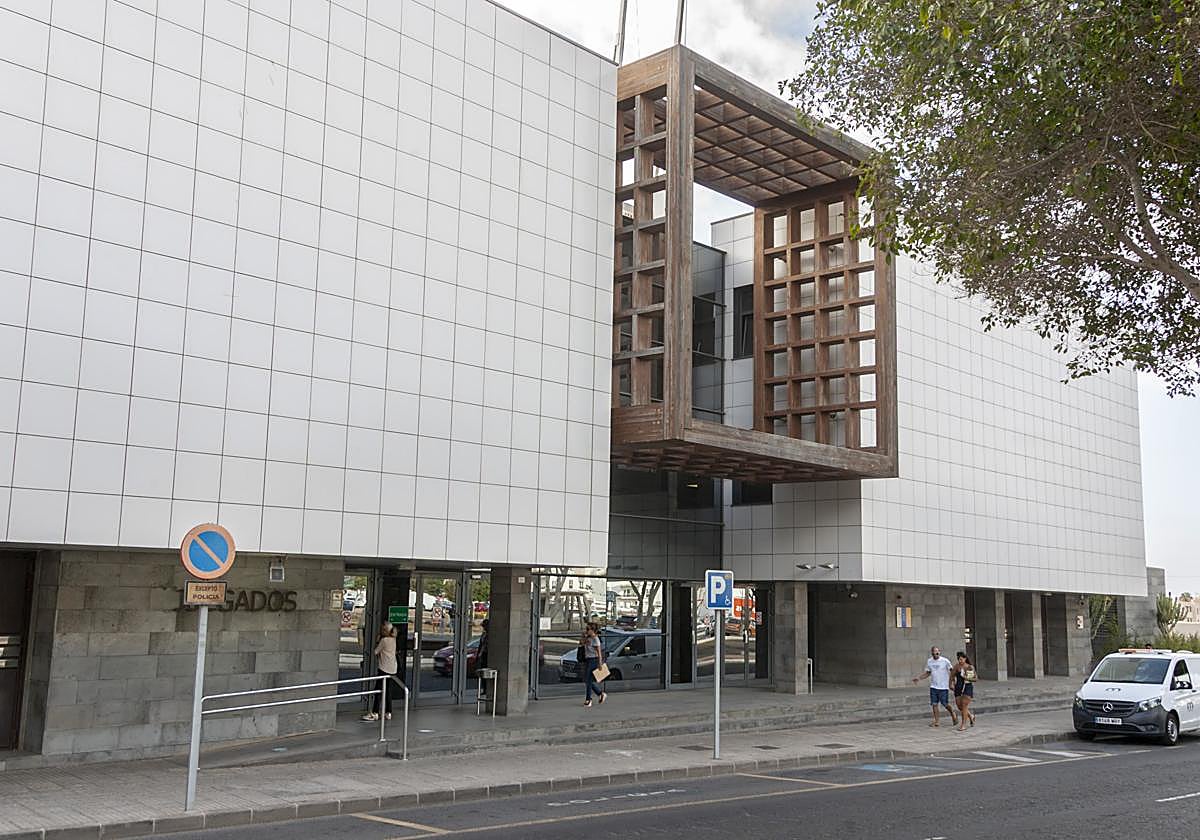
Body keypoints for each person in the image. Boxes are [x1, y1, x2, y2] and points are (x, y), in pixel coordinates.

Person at [912, 645, 958, 727]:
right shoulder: (929, 661)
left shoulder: (945, 661)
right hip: (934, 686)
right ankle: (937, 721)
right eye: (934, 652)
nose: (936, 653)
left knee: (945, 703)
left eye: (937, 652)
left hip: (943, 686)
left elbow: (952, 671)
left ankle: (953, 713)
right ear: (932, 653)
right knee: (934, 704)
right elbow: (928, 672)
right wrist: (919, 678)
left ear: (939, 652)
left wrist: (953, 682)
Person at [362, 621, 397, 722]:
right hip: (392, 668)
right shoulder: (393, 639)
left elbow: (375, 651)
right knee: (388, 691)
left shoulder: (384, 640)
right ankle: (388, 712)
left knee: (378, 690)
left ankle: (375, 712)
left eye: (383, 629)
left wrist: (377, 641)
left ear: (385, 630)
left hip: (384, 668)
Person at [581, 624, 607, 707]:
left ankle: (588, 699)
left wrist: (600, 663)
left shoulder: (596, 639)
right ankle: (600, 693)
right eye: (586, 629)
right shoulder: (588, 638)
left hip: (594, 660)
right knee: (587, 680)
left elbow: (599, 652)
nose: (587, 630)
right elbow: (581, 643)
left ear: (593, 630)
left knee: (588, 680)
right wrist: (584, 636)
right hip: (588, 659)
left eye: (588, 629)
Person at [953, 651, 977, 730]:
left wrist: (966, 677)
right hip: (958, 688)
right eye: (958, 659)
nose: (960, 661)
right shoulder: (957, 667)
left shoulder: (969, 667)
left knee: (964, 705)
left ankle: (963, 724)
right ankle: (970, 716)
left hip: (967, 687)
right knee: (960, 706)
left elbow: (974, 679)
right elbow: (951, 675)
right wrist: (950, 683)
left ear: (965, 659)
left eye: (961, 659)